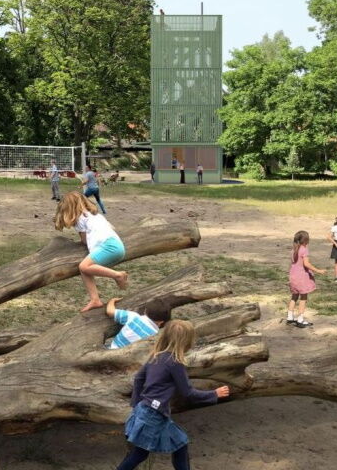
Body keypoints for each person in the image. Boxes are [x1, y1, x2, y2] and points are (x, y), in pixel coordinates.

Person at [116, 320, 230, 470]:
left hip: (146, 410)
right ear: (186, 341)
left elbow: (138, 378)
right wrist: (214, 394)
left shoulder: (156, 356)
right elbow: (188, 393)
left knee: (180, 444)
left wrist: (136, 404)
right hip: (153, 416)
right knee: (140, 454)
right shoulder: (175, 363)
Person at [54, 192, 127, 312]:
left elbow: (84, 241)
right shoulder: (95, 215)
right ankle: (95, 299)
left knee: (83, 266)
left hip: (108, 246)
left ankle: (118, 275)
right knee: (85, 270)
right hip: (117, 246)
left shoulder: (80, 219)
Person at [287, 230, 327, 328]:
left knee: (294, 296)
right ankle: (300, 319)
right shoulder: (304, 250)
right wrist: (318, 270)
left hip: (293, 275)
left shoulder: (294, 250)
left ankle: (290, 316)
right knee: (303, 297)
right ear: (306, 240)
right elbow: (306, 264)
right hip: (301, 276)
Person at [106, 297, 171, 349]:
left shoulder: (134, 317)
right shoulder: (155, 335)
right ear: (161, 322)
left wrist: (112, 301)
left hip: (112, 349)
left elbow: (110, 312)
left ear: (145, 311)